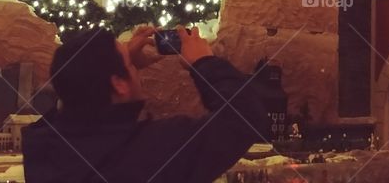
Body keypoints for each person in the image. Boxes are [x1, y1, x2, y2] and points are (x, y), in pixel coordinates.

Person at [22, 25, 268, 183]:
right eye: (130, 65)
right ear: (118, 84)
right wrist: (203, 63)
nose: (135, 70)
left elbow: (71, 97)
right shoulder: (157, 149)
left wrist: (116, 70)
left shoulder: (42, 146)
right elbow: (243, 116)